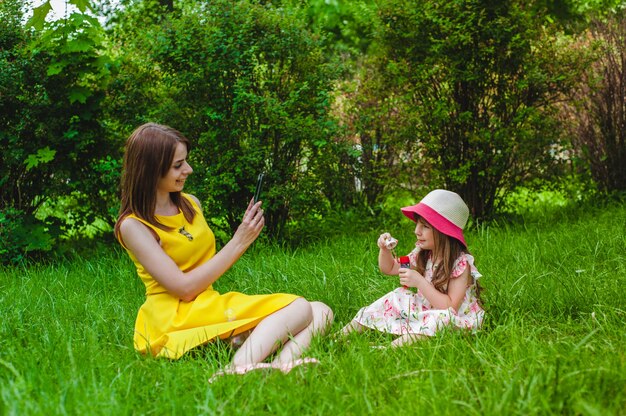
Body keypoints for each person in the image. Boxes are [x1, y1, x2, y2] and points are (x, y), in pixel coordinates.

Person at [114, 123, 333, 379]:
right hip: (175, 316)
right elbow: (183, 289)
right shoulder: (133, 225)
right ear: (151, 170)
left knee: (321, 310)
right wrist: (239, 241)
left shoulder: (191, 204)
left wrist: (243, 234)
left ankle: (279, 368)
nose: (188, 170)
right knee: (299, 308)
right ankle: (233, 370)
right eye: (178, 165)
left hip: (207, 303)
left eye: (185, 161)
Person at [341, 189, 484, 347]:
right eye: (417, 224)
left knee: (440, 319)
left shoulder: (460, 263)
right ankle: (338, 338)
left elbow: (449, 307)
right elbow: (390, 268)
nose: (417, 231)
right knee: (398, 295)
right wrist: (384, 249)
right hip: (427, 308)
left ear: (444, 232)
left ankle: (389, 349)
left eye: (425, 226)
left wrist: (420, 282)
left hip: (454, 318)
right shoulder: (423, 253)